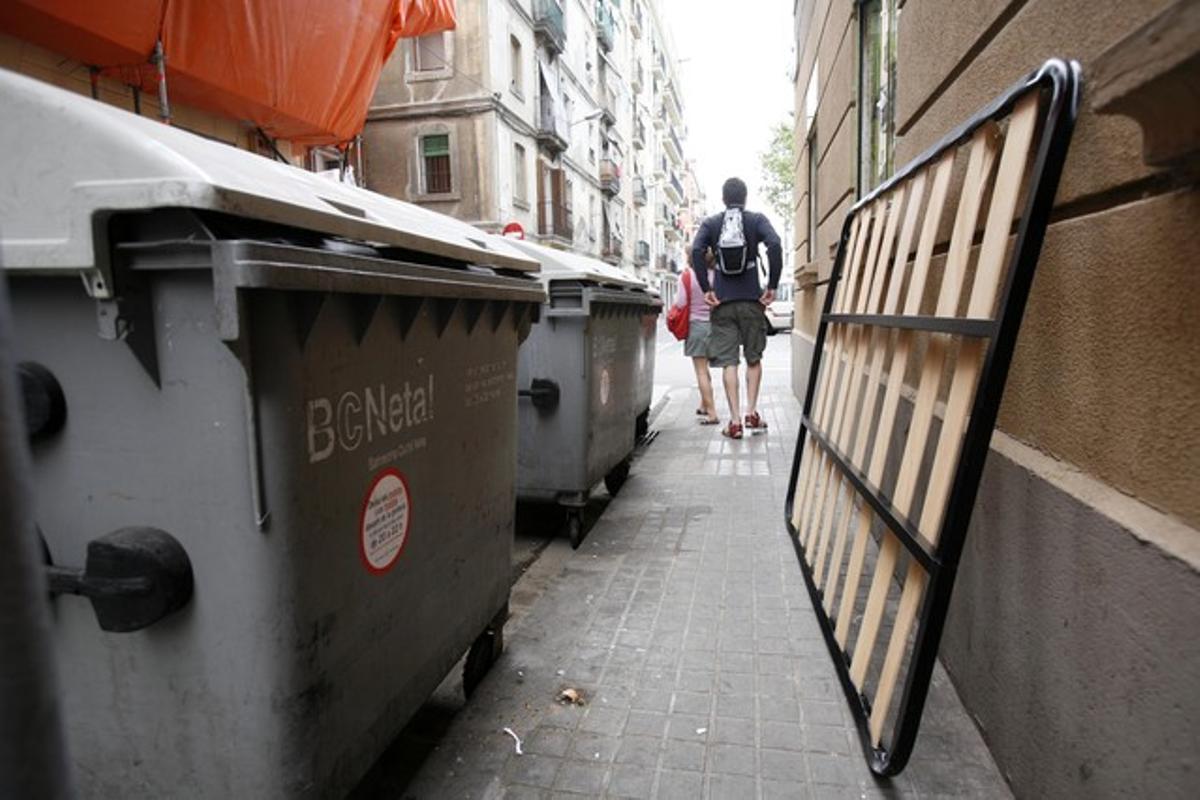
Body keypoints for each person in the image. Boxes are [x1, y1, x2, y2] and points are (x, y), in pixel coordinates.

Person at [690, 177, 783, 439]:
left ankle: (734, 422)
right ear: (745, 197)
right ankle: (751, 413)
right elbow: (775, 245)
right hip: (753, 301)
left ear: (723, 199)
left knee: (729, 362)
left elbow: (697, 250)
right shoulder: (756, 220)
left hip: (722, 303)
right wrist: (772, 284)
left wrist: (707, 289)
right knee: (753, 359)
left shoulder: (712, 223)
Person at [671, 250, 719, 424]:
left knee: (700, 371)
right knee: (705, 369)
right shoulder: (717, 275)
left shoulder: (687, 276)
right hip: (714, 326)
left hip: (696, 326)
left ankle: (712, 413)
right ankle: (704, 404)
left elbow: (681, 302)